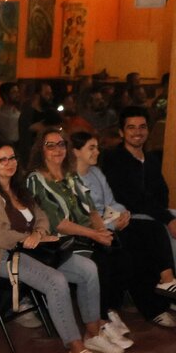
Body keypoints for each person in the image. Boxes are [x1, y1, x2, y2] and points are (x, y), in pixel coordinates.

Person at [0, 144, 116, 353]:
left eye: (12, 158)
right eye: (2, 160)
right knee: (55, 281)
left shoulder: (19, 189)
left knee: (88, 268)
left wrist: (38, 234)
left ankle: (92, 333)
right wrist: (28, 238)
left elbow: (42, 217)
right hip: (4, 255)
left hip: (36, 250)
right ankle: (76, 351)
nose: (9, 163)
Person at [27, 129, 168, 332]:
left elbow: (91, 209)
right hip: (62, 241)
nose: (57, 149)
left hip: (88, 233)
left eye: (61, 144)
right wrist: (97, 234)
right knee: (104, 259)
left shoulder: (69, 175)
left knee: (128, 253)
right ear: (40, 150)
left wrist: (102, 231)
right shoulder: (36, 180)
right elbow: (58, 223)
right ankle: (100, 322)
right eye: (51, 145)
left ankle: (112, 311)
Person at [71, 130, 176, 316]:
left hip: (112, 220)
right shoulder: (70, 180)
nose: (97, 152)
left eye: (97, 148)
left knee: (153, 228)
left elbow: (111, 201)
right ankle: (152, 307)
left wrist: (123, 213)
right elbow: (83, 218)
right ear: (76, 152)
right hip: (95, 230)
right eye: (91, 148)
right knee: (136, 247)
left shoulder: (96, 172)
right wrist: (113, 225)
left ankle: (167, 280)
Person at [101, 107, 176, 268]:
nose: (138, 132)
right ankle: (169, 277)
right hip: (125, 216)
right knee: (166, 224)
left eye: (142, 127)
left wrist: (163, 214)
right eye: (131, 127)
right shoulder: (114, 159)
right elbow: (133, 198)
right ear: (121, 132)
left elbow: (162, 192)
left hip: (151, 211)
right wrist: (166, 218)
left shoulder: (151, 159)